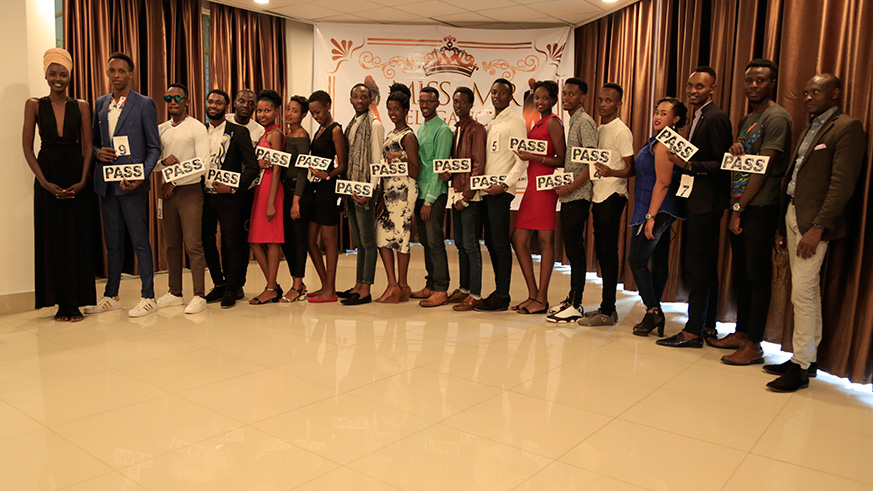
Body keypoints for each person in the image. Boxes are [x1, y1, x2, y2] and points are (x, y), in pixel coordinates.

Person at [765, 74, 866, 392]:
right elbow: (796, 175)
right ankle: (804, 360)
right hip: (794, 213)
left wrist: (819, 227)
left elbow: (842, 184)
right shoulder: (810, 125)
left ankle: (800, 365)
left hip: (814, 223)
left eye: (816, 91)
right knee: (803, 292)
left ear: (835, 93)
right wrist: (783, 223)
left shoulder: (847, 127)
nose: (808, 97)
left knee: (804, 293)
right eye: (805, 92)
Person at [707, 59, 792, 365]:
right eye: (749, 80)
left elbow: (765, 167)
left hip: (760, 207)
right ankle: (742, 332)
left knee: (757, 275)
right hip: (741, 204)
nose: (753, 85)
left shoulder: (777, 117)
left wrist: (739, 209)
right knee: (742, 273)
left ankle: (754, 344)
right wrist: (735, 151)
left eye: (760, 80)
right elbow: (745, 162)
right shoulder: (746, 119)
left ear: (772, 83)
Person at [657, 67, 733, 348]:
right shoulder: (700, 117)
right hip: (697, 202)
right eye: (690, 86)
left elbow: (723, 164)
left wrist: (688, 165)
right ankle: (707, 324)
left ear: (712, 88)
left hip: (706, 204)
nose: (692, 91)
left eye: (700, 87)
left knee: (697, 267)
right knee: (702, 267)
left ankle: (692, 332)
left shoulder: (716, 117)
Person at [85, 52, 161, 318]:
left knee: (140, 241)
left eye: (121, 71)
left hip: (132, 184)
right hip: (107, 184)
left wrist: (142, 175)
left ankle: (149, 296)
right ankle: (111, 295)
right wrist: (97, 153)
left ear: (131, 73)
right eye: (112, 71)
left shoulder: (144, 103)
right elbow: (93, 141)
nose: (116, 76)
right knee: (113, 242)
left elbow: (154, 147)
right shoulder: (101, 104)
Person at [22, 48, 96, 322]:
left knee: (77, 238)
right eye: (53, 73)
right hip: (48, 174)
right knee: (52, 238)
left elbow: (88, 147)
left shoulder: (82, 106)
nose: (58, 78)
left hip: (76, 174)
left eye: (63, 73)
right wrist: (44, 182)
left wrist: (83, 180)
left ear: (70, 76)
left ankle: (75, 302)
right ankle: (58, 301)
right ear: (45, 75)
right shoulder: (33, 104)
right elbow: (27, 147)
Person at [627, 97, 688, 337]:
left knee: (636, 260)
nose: (657, 116)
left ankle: (653, 311)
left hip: (655, 210)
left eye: (664, 113)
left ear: (676, 119)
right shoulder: (660, 139)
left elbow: (663, 182)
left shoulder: (665, 142)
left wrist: (650, 216)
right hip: (659, 209)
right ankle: (655, 312)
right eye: (656, 111)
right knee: (659, 261)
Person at [577, 83, 635, 327]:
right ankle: (605, 306)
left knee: (609, 253)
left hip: (613, 196)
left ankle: (609, 310)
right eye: (600, 100)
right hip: (597, 195)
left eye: (608, 101)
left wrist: (612, 171)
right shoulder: (598, 129)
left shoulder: (622, 131)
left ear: (619, 103)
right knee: (602, 252)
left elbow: (631, 169)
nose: (602, 104)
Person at [201, 89, 259, 308]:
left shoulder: (239, 132)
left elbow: (252, 168)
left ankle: (233, 288)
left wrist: (233, 188)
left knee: (231, 242)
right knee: (206, 240)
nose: (213, 105)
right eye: (210, 101)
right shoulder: (200, 131)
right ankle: (219, 284)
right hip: (203, 196)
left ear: (226, 107)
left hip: (229, 198)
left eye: (218, 102)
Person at [154, 83, 210, 314]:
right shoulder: (160, 129)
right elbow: (153, 163)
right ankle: (175, 292)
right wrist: (162, 165)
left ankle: (199, 295)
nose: (173, 102)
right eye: (168, 98)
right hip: (167, 194)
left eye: (178, 98)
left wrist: (173, 181)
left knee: (194, 245)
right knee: (172, 245)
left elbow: (203, 164)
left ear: (187, 101)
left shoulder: (197, 128)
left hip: (189, 192)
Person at [511, 80, 565, 315]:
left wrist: (534, 156)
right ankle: (533, 294)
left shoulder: (553, 122)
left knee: (544, 241)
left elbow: (561, 159)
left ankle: (541, 298)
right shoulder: (537, 123)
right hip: (534, 185)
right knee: (518, 239)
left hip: (545, 187)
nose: (540, 101)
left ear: (553, 100)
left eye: (544, 98)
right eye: (537, 98)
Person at [474, 79, 528, 312]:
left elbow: (522, 158)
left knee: (499, 243)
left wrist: (505, 185)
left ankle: (503, 294)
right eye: (494, 91)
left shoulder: (515, 122)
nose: (497, 96)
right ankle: (498, 291)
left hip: (500, 192)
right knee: (491, 242)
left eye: (502, 92)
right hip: (486, 191)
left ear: (510, 96)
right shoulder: (491, 122)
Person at [547, 77, 597, 323]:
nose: (567, 98)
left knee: (575, 250)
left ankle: (576, 304)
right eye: (564, 94)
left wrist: (571, 187)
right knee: (571, 249)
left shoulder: (585, 122)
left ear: (582, 97)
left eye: (572, 94)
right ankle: (571, 298)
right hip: (569, 195)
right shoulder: (573, 121)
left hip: (578, 195)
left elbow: (592, 162)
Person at [339, 83, 384, 306]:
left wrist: (371, 190)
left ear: (370, 100)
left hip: (365, 189)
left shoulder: (374, 125)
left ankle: (366, 288)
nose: (359, 100)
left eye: (363, 96)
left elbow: (377, 160)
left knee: (367, 240)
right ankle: (358, 284)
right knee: (359, 240)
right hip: (351, 188)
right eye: (355, 96)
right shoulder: (352, 124)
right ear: (350, 100)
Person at [375, 83, 420, 303]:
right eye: (390, 109)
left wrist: (400, 156)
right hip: (390, 190)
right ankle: (395, 284)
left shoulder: (408, 136)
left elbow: (414, 170)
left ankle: (400, 285)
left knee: (401, 237)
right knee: (383, 235)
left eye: (396, 109)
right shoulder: (392, 133)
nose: (393, 113)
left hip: (404, 192)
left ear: (405, 111)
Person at [302, 90, 348, 303]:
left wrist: (327, 175)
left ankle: (330, 289)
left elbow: (343, 164)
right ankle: (324, 284)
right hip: (316, 189)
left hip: (329, 190)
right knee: (310, 240)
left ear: (328, 106)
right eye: (312, 113)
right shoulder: (320, 130)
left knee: (329, 241)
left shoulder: (335, 130)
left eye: (318, 111)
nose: (316, 116)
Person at [410, 86, 453, 308]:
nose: (425, 105)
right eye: (422, 101)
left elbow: (440, 168)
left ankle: (441, 289)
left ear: (437, 104)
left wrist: (429, 200)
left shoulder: (443, 130)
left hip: (433, 194)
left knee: (435, 242)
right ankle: (431, 284)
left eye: (429, 101)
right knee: (425, 241)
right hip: (420, 192)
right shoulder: (422, 128)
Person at [444, 87, 487, 312]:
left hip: (470, 195)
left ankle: (476, 294)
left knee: (470, 245)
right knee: (460, 243)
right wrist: (447, 173)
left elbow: (478, 165)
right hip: (456, 192)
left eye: (462, 102)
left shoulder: (477, 129)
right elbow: (457, 163)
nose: (458, 105)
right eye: (455, 101)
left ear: (471, 105)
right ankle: (464, 288)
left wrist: (468, 196)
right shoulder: (457, 129)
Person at [248, 89, 286, 304]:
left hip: (271, 189)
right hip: (260, 188)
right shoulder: (264, 133)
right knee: (254, 241)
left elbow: (278, 167)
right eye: (260, 110)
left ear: (276, 111)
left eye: (267, 110)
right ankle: (272, 285)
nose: (262, 114)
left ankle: (271, 287)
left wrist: (271, 201)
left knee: (271, 241)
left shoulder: (276, 134)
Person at [279, 95, 311, 302]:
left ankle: (297, 285)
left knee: (298, 240)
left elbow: (302, 171)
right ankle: (298, 282)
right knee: (286, 240)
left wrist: (296, 200)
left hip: (297, 193)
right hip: (283, 191)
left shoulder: (302, 136)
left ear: (304, 114)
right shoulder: (284, 135)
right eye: (288, 109)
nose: (289, 114)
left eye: (295, 111)